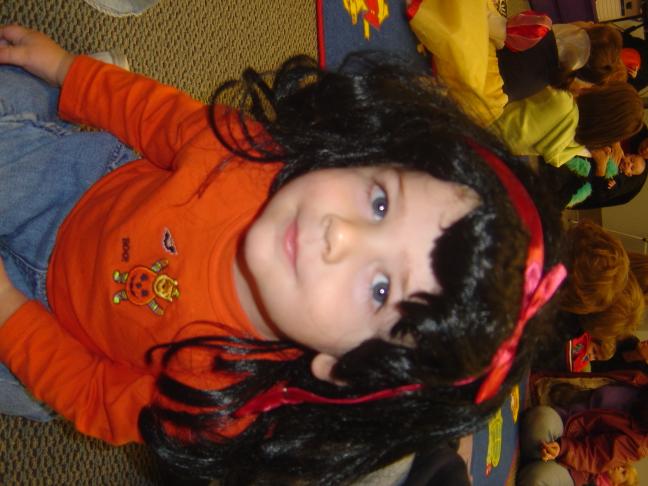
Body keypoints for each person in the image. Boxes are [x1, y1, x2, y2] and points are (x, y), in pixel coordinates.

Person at [0, 25, 567, 484]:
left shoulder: (227, 404)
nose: (340, 235)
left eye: (380, 290)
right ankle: (69, 95)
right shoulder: (255, 158)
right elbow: (162, 117)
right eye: (378, 203)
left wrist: (11, 316)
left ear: (342, 369)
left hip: (59, 331)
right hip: (76, 182)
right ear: (367, 155)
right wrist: (68, 69)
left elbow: (96, 396)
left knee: (31, 386)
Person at [517, 398, 648, 486]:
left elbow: (594, 457)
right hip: (568, 427)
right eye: (624, 467)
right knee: (541, 420)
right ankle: (531, 456)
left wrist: (563, 449)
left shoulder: (639, 444)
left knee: (537, 478)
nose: (619, 467)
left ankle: (530, 463)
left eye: (623, 472)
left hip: (576, 467)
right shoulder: (638, 381)